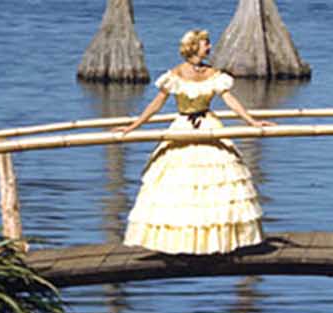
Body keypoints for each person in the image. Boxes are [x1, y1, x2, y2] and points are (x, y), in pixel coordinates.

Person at [116, 29, 272, 254]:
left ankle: (216, 240)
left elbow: (230, 100)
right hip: (182, 127)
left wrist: (252, 121)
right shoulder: (176, 74)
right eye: (205, 44)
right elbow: (156, 104)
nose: (209, 47)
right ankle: (180, 241)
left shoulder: (214, 74)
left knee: (217, 182)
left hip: (209, 125)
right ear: (194, 47)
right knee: (179, 183)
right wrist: (133, 126)